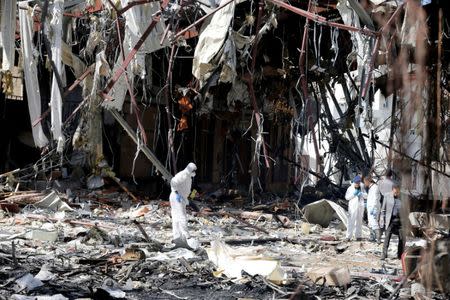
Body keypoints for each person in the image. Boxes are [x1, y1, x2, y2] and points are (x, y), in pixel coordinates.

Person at [169, 162, 197, 246]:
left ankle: (177, 236)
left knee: (177, 217)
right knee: (181, 216)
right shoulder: (182, 175)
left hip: (182, 198)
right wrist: (176, 193)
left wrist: (192, 195)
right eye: (193, 170)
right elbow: (173, 182)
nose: (194, 172)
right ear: (190, 170)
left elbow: (187, 189)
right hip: (176, 197)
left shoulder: (189, 177)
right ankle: (186, 236)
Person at [380, 183, 404, 260]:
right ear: (392, 189)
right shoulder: (387, 196)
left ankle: (400, 255)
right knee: (387, 238)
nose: (396, 193)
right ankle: (384, 255)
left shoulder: (403, 197)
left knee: (402, 238)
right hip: (390, 220)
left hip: (400, 221)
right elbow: (383, 209)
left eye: (398, 192)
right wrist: (382, 219)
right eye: (395, 192)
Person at [345, 175, 366, 241]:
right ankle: (348, 237)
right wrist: (354, 194)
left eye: (359, 183)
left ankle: (358, 236)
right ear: (354, 182)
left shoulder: (362, 187)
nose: (358, 184)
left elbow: (367, 196)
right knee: (351, 221)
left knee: (359, 221)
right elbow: (347, 197)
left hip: (360, 207)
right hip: (352, 207)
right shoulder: (350, 188)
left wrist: (361, 194)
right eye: (356, 183)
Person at [364, 174, 381, 243]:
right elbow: (369, 197)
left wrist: (373, 208)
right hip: (371, 208)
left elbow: (375, 199)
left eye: (365, 182)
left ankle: (378, 239)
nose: (364, 183)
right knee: (370, 223)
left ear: (368, 181)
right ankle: (372, 237)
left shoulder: (375, 187)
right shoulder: (371, 188)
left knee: (374, 223)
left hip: (374, 208)